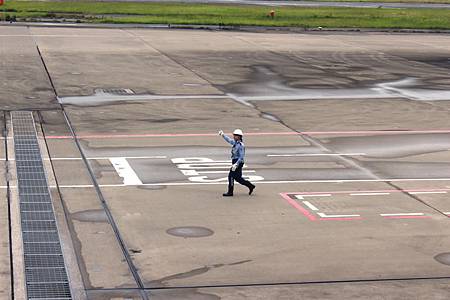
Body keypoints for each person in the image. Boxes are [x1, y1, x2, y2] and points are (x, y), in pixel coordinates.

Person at [218, 129, 255, 197]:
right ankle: (250, 186)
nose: (234, 136)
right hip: (235, 161)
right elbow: (229, 140)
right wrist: (223, 135)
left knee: (231, 176)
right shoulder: (235, 143)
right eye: (234, 135)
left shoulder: (240, 145)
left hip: (238, 162)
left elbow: (241, 157)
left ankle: (230, 192)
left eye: (235, 135)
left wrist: (236, 164)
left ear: (239, 136)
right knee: (238, 178)